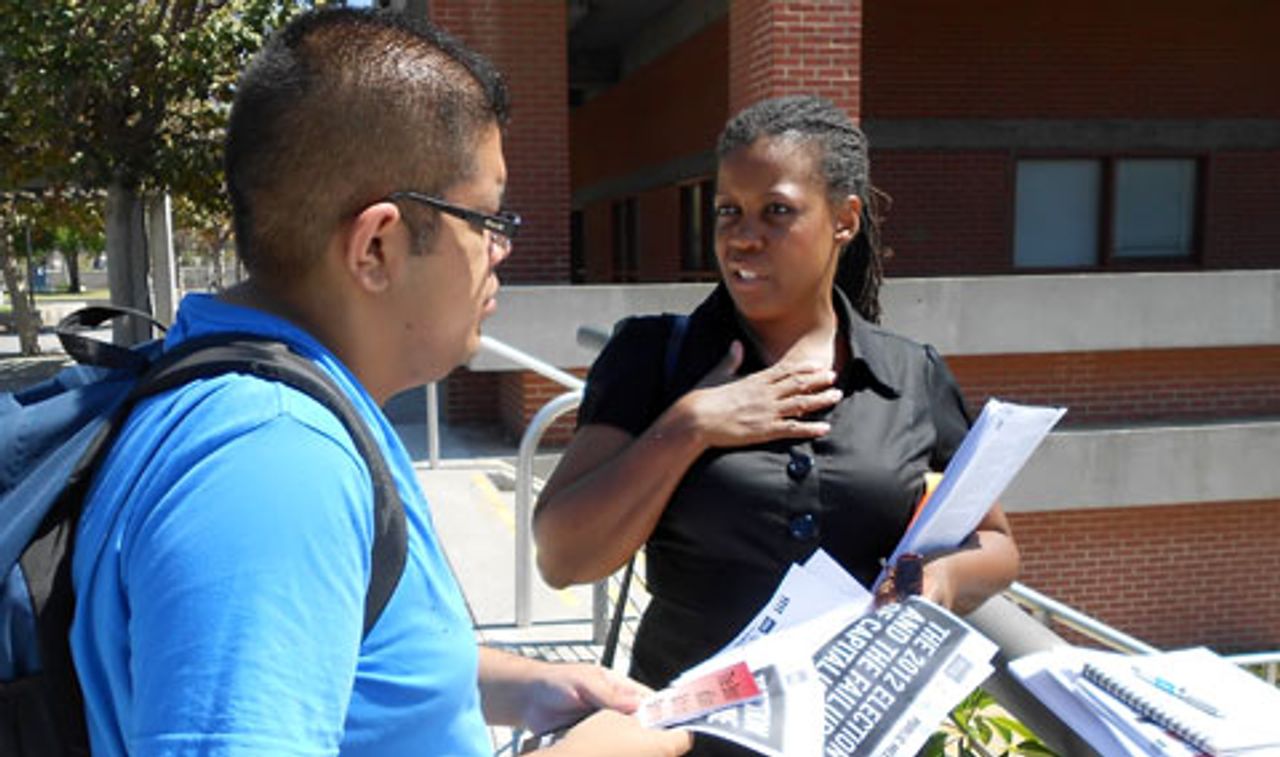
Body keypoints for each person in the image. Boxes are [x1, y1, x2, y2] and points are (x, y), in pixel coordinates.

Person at [69, 8, 690, 757]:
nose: (500, 249)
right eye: (486, 218)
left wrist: (523, 685)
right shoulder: (276, 462)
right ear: (376, 247)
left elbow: (343, 653)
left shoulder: (266, 389)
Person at [533, 95, 1020, 750]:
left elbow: (996, 544)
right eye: (727, 211)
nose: (742, 235)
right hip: (680, 737)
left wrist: (942, 579)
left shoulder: (910, 374)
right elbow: (562, 558)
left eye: (777, 211)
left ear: (845, 220)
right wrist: (691, 425)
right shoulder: (655, 357)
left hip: (847, 732)